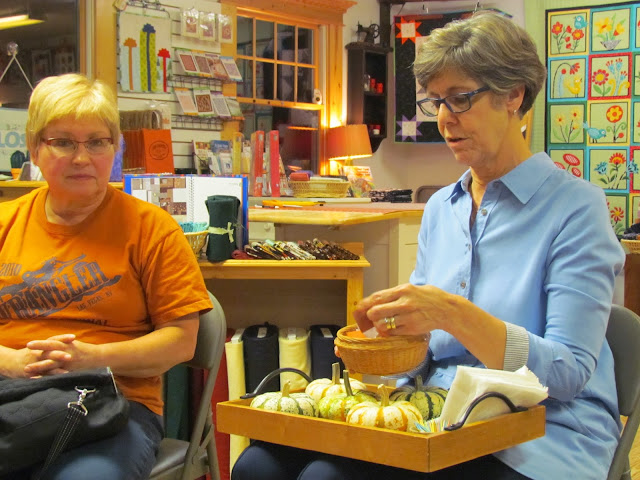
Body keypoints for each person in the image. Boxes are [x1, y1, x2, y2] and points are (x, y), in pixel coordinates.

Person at [232, 11, 625, 480]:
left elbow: (567, 373)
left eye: (460, 99)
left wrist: (450, 313)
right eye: (436, 101)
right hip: (435, 418)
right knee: (257, 465)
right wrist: (387, 338)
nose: (443, 118)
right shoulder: (443, 207)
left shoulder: (576, 208)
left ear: (514, 95)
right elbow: (425, 353)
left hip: (541, 432)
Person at [0, 73, 213, 479]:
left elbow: (181, 341)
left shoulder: (152, 229)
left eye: (97, 142)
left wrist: (92, 359)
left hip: (112, 405)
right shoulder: (5, 222)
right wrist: (12, 362)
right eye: (63, 142)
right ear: (35, 147)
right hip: (9, 393)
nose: (82, 158)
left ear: (115, 148)